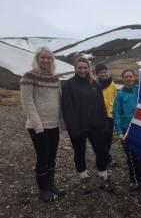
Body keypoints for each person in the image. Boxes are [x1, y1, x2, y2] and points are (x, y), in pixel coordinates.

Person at [20, 46, 64, 202]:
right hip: (38, 127)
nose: (46, 60)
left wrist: (62, 122)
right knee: (42, 157)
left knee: (52, 157)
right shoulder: (29, 76)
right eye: (43, 57)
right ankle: (43, 189)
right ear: (37, 59)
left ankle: (51, 185)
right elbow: (27, 103)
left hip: (54, 126)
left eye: (48, 58)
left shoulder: (55, 78)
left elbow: (59, 100)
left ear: (52, 60)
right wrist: (38, 126)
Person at [61, 57, 112, 191]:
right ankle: (84, 177)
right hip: (78, 127)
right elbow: (67, 109)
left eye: (85, 68)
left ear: (89, 68)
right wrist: (73, 129)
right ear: (75, 68)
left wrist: (104, 123)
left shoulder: (95, 84)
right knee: (79, 152)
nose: (83, 70)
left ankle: (103, 176)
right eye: (80, 68)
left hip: (95, 126)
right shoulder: (68, 85)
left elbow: (101, 106)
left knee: (101, 151)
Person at [113, 69, 141, 191]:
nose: (129, 79)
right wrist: (119, 132)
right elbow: (116, 113)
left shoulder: (140, 90)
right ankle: (134, 180)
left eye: (131, 76)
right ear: (123, 79)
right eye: (126, 77)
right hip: (127, 130)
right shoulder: (120, 94)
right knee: (131, 157)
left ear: (134, 77)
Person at [95, 63, 118, 168]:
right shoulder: (94, 84)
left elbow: (116, 99)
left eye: (104, 72)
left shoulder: (112, 84)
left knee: (108, 138)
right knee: (100, 138)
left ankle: (106, 157)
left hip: (110, 116)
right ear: (97, 74)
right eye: (101, 72)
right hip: (99, 116)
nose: (103, 74)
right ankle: (104, 158)